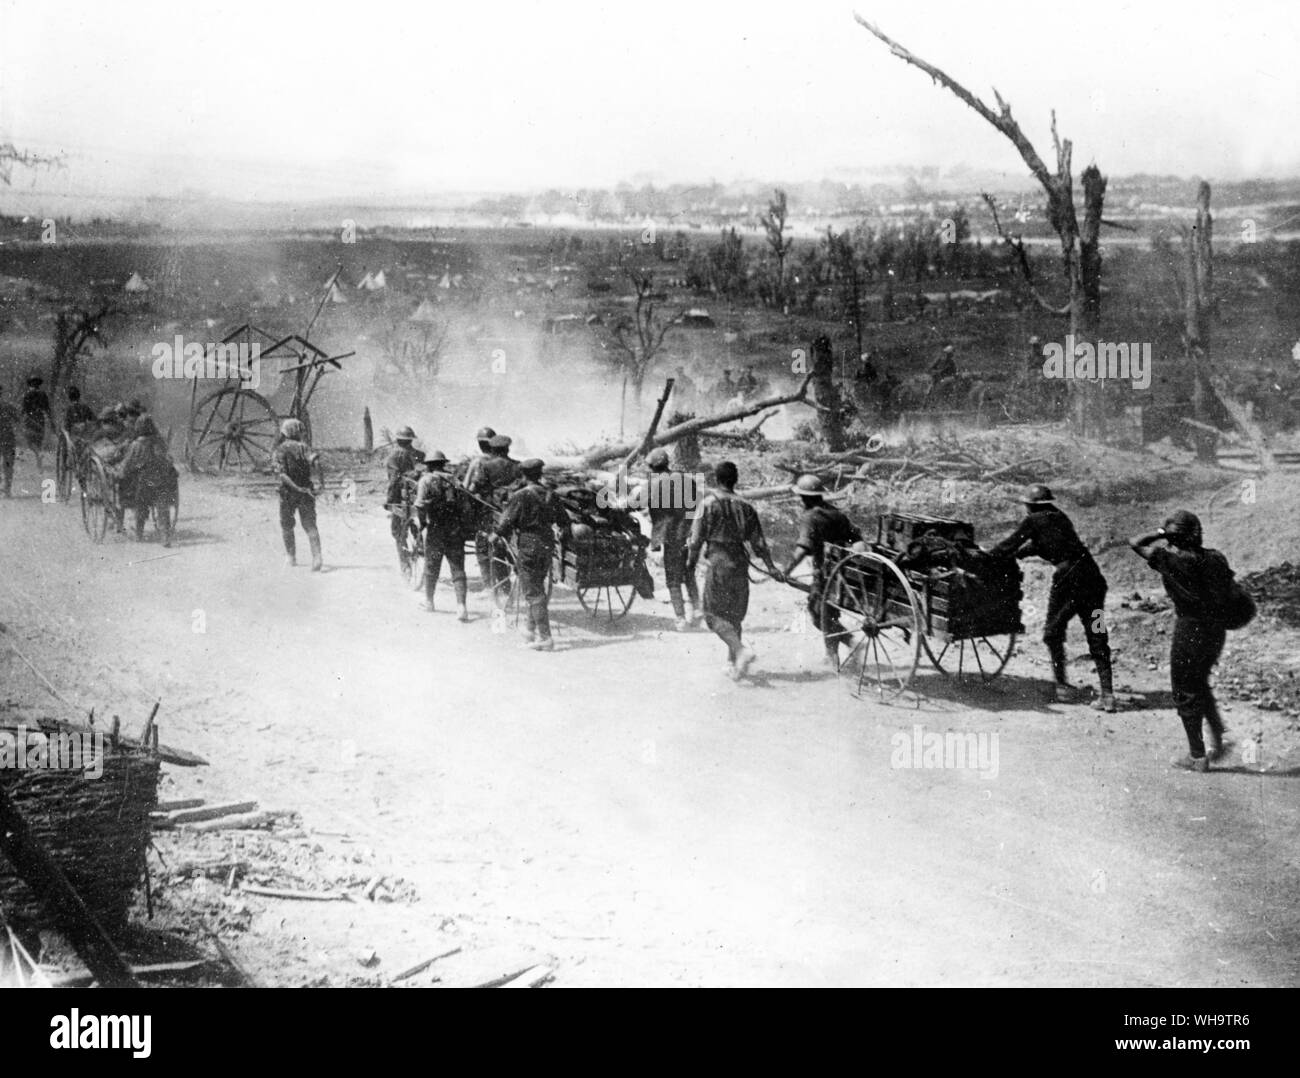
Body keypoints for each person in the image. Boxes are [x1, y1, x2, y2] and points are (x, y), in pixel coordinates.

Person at [989, 484, 1115, 710]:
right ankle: (1108, 694)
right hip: (1094, 579)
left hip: (1069, 579)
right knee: (1097, 632)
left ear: (1030, 506)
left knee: (1052, 632)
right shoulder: (1060, 518)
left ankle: (1062, 687)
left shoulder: (1033, 520)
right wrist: (1019, 553)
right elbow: (1039, 545)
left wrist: (988, 556)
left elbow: (1011, 543)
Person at [1129, 511, 1238, 772]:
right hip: (1216, 630)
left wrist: (1161, 533)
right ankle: (1219, 736)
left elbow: (1135, 543)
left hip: (1190, 630)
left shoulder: (1171, 560)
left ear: (1174, 536)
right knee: (1198, 682)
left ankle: (1197, 756)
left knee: (1184, 690)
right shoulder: (1216, 557)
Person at [686, 461, 782, 679]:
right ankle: (734, 665)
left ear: (715, 480)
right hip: (740, 563)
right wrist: (771, 567)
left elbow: (696, 540)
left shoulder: (707, 504)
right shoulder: (746, 506)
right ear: (735, 480)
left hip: (719, 562)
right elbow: (759, 543)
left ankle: (740, 651)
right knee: (734, 616)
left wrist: (690, 564)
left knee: (712, 615)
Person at [780, 474, 862, 669]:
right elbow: (856, 538)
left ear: (806, 498)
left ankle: (849, 644)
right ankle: (831, 654)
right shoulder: (837, 514)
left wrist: (787, 569)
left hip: (825, 574)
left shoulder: (810, 517)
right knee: (827, 614)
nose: (800, 501)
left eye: (801, 497)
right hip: (843, 572)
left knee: (819, 614)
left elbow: (803, 548)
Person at [496, 458, 569, 650]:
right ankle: (529, 629)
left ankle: (545, 638)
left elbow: (505, 524)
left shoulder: (520, 495)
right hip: (547, 544)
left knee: (533, 591)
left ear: (523, 475)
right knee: (536, 586)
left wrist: (494, 535)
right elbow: (564, 521)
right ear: (540, 474)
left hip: (528, 544)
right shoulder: (551, 495)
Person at [644, 447, 699, 630]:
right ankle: (697, 609)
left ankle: (680, 618)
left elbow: (637, 501)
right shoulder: (687, 480)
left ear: (652, 467)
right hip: (688, 533)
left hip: (669, 535)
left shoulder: (653, 483)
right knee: (687, 572)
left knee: (673, 578)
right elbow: (696, 505)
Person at [414, 450, 470, 622]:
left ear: (429, 465)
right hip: (454, 528)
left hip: (436, 528)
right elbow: (465, 505)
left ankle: (429, 602)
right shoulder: (454, 479)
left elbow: (420, 505)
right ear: (443, 463)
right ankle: (461, 607)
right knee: (458, 568)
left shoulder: (426, 480)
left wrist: (422, 523)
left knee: (431, 566)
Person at [467, 433, 521, 604]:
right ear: (507, 449)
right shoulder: (518, 466)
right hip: (514, 511)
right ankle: (508, 588)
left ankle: (492, 588)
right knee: (507, 547)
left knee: (484, 547)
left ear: (493, 449)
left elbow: (475, 488)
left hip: (491, 513)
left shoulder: (486, 466)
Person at [113, 416, 177, 546]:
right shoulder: (160, 443)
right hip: (160, 482)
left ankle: (139, 534)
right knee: (162, 508)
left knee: (140, 504)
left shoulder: (136, 445)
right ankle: (165, 536)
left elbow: (126, 465)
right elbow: (168, 461)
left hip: (142, 484)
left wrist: (118, 473)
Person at [273, 418, 322, 571]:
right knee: (310, 525)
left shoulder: (279, 450)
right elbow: (317, 464)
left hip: (287, 493)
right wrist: (321, 483)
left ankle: (291, 557)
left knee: (286, 525)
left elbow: (282, 475)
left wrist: (295, 487)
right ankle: (317, 557)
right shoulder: (304, 447)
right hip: (307, 491)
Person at [384, 425, 424, 574]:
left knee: (397, 532)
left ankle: (405, 565)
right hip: (420, 494)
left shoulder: (393, 456)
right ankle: (419, 543)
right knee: (416, 527)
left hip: (403, 498)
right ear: (411, 440)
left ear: (398, 440)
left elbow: (394, 480)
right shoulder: (421, 454)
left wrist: (389, 501)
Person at [19, 376, 51, 470]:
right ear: (38, 385)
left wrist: (20, 417)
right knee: (39, 441)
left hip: (30, 419)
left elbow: (24, 409)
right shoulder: (43, 394)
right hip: (40, 419)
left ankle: (38, 455)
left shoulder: (27, 394)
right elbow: (47, 408)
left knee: (30, 442)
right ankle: (39, 463)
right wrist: (50, 419)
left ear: (30, 384)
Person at [0, 385, 19, 498]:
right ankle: (7, 488)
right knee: (8, 463)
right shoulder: (8, 406)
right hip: (7, 436)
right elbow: (17, 419)